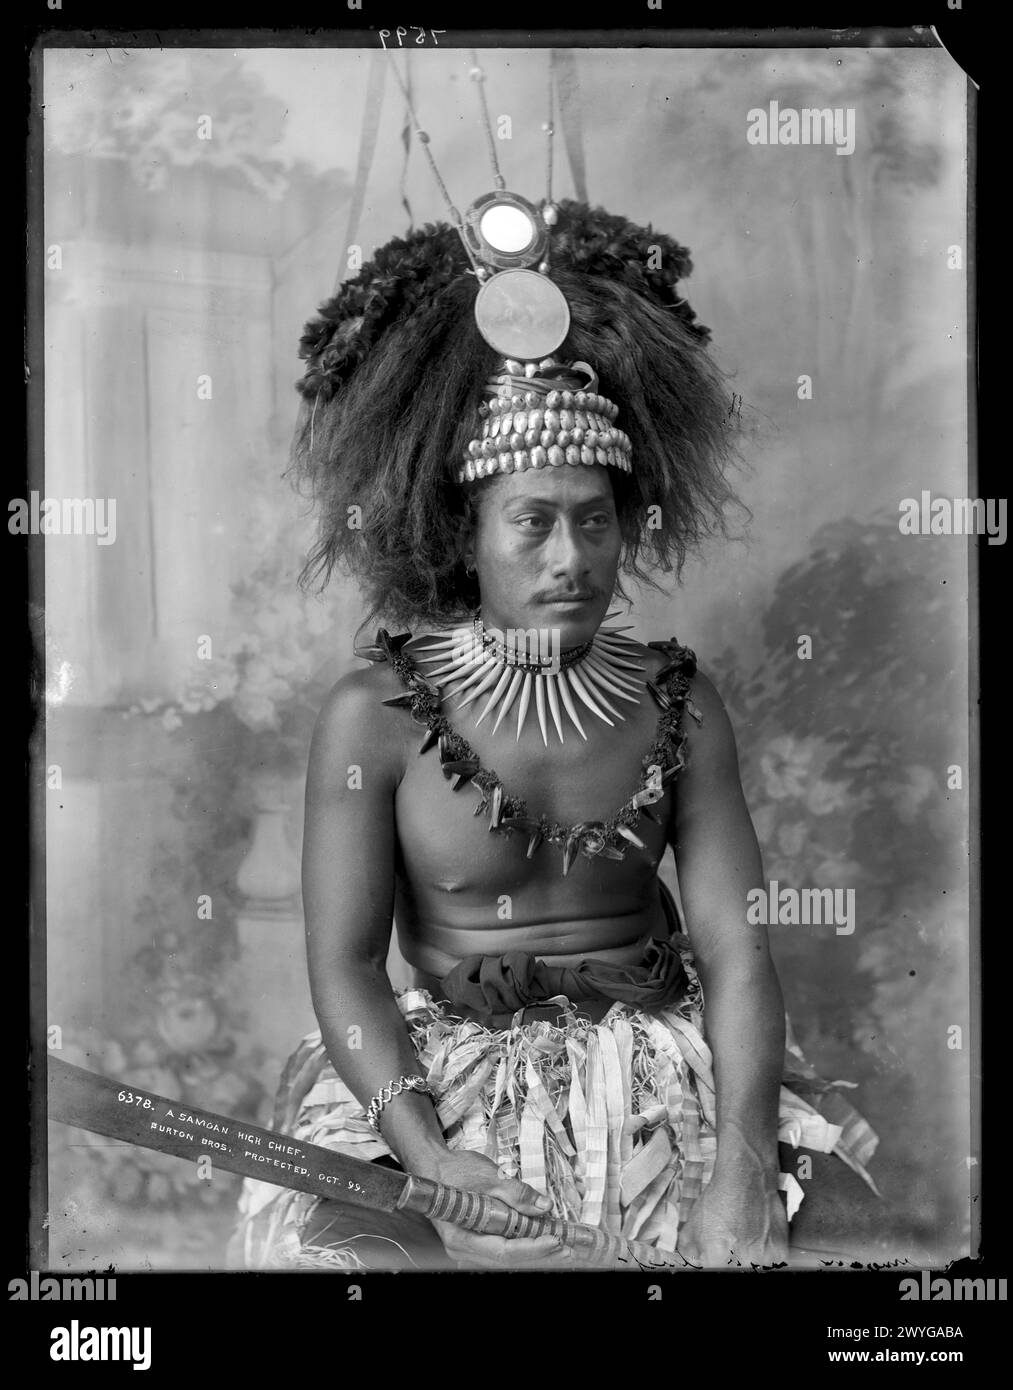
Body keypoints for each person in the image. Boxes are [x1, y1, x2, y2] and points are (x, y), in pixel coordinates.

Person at [233, 196, 880, 1272]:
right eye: (531, 522)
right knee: (339, 1265)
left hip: (664, 1073)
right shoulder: (375, 711)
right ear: (465, 536)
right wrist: (428, 1160)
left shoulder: (679, 699)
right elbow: (345, 966)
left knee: (822, 1254)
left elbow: (733, 948)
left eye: (594, 520)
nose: (570, 556)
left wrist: (739, 1172)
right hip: (434, 1088)